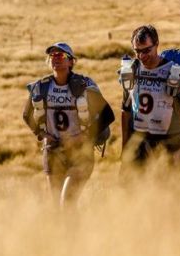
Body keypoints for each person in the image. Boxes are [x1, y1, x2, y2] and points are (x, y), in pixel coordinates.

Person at [23, 42, 114, 209]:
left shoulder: (83, 85)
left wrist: (84, 136)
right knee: (56, 207)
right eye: (52, 56)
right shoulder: (41, 86)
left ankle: (78, 234)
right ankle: (66, 235)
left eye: (61, 55)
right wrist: (42, 134)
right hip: (52, 152)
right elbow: (26, 114)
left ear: (71, 62)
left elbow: (107, 114)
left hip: (80, 154)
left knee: (67, 202)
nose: (56, 59)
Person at [120, 25, 180, 172]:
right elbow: (126, 112)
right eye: (137, 51)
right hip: (138, 145)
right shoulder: (131, 72)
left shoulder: (175, 74)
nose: (142, 56)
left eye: (146, 50)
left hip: (169, 145)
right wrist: (125, 149)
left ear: (157, 44)